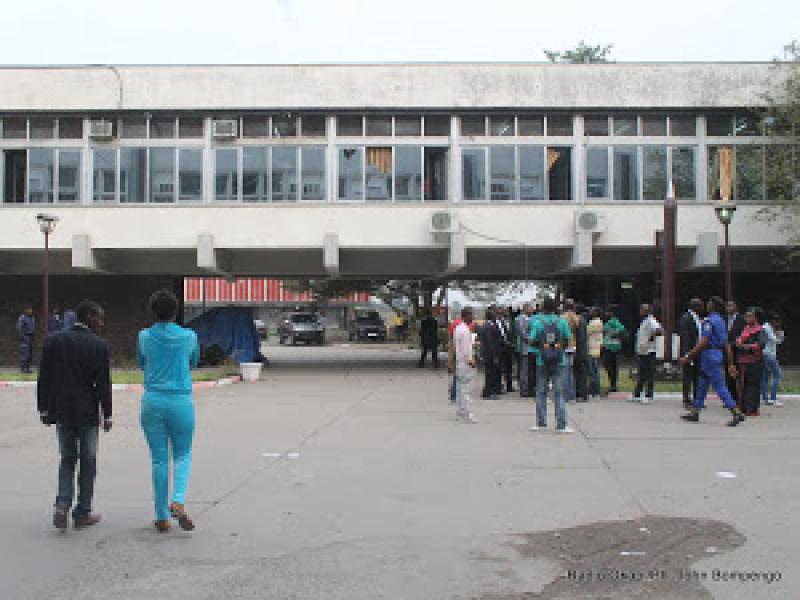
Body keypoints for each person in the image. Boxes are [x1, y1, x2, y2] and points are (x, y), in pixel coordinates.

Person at [37, 299, 111, 531]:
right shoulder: (99, 346)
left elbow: (44, 379)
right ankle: (82, 513)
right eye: (99, 318)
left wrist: (44, 409)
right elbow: (103, 384)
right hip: (88, 413)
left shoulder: (53, 341)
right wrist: (107, 414)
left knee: (67, 459)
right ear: (89, 317)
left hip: (62, 412)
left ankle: (62, 504)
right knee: (88, 462)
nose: (101, 323)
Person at [137, 289, 201, 533]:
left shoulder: (143, 336)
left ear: (152, 311)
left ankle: (162, 516)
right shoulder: (189, 336)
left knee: (159, 458)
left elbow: (141, 362)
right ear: (176, 311)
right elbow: (193, 362)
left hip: (152, 400)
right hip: (180, 400)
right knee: (183, 454)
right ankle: (178, 500)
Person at [680, 296, 746, 427]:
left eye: (709, 303)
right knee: (702, 384)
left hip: (708, 355)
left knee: (719, 386)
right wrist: (731, 362)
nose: (706, 305)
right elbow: (726, 344)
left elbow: (703, 342)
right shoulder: (721, 321)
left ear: (713, 306)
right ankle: (695, 412)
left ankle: (736, 412)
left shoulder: (709, 321)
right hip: (717, 354)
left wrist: (689, 356)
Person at [529, 297, 574, 433]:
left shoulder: (537, 322)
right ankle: (561, 425)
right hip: (559, 361)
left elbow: (531, 340)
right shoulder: (562, 322)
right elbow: (568, 338)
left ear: (543, 308)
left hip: (542, 361)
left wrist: (543, 348)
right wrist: (558, 348)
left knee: (541, 392)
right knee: (559, 393)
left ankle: (541, 423)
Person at [735, 308, 767, 416]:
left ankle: (752, 409)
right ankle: (743, 408)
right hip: (743, 362)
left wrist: (745, 346)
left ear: (756, 318)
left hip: (754, 362)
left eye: (750, 316)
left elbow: (761, 345)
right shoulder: (745, 329)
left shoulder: (760, 330)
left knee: (753, 386)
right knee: (742, 385)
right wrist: (738, 342)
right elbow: (739, 340)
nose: (747, 318)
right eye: (746, 316)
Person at [633, 304, 662, 404]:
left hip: (649, 351)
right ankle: (637, 394)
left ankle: (649, 395)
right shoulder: (644, 321)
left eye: (642, 309)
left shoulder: (651, 320)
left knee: (649, 374)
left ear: (647, 311)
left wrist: (650, 339)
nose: (640, 311)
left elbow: (659, 330)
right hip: (642, 351)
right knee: (641, 374)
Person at [678, 298, 704, 409]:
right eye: (700, 306)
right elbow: (685, 337)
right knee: (687, 376)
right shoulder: (686, 318)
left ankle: (697, 398)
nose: (702, 308)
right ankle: (686, 398)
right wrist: (687, 354)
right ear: (694, 306)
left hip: (697, 351)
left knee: (697, 376)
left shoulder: (697, 318)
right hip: (689, 352)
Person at [453, 308, 478, 424]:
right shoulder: (465, 331)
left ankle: (460, 412)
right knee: (466, 390)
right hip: (465, 364)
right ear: (466, 316)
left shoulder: (458, 329)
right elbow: (465, 350)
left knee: (460, 389)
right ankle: (467, 414)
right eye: (471, 315)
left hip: (459, 363)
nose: (473, 318)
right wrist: (471, 362)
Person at [761, 312, 784, 407]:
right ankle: (773, 398)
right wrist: (780, 335)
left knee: (765, 376)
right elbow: (776, 340)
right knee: (778, 375)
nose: (778, 324)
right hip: (768, 354)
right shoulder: (767, 328)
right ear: (773, 321)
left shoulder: (766, 327)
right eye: (777, 322)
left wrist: (778, 334)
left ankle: (765, 398)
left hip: (765, 354)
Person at [725, 301, 746, 405]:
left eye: (731, 306)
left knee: (738, 375)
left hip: (738, 351)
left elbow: (744, 334)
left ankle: (740, 399)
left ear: (736, 307)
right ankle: (730, 398)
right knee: (728, 375)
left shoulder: (742, 319)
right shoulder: (724, 319)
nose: (728, 308)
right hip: (726, 351)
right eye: (727, 306)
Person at [560, 299, 580, 402]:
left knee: (564, 371)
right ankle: (572, 396)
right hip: (573, 345)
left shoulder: (562, 317)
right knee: (570, 372)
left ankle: (564, 396)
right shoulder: (576, 317)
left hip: (564, 345)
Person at [480, 308, 503, 399]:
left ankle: (489, 391)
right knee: (490, 374)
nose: (496, 316)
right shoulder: (488, 326)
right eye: (494, 314)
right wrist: (495, 356)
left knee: (491, 373)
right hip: (490, 354)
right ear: (490, 316)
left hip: (490, 354)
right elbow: (490, 343)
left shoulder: (489, 325)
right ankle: (488, 393)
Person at [603, 307, 626, 394]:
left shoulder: (613, 322)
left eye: (607, 312)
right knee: (612, 366)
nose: (606, 314)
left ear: (611, 313)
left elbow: (621, 330)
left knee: (610, 366)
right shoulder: (612, 322)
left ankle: (613, 385)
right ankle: (613, 384)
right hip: (613, 347)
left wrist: (614, 333)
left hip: (611, 347)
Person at [586, 307, 604, 400]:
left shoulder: (594, 323)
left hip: (592, 349)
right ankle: (595, 392)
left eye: (592, 311)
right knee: (594, 372)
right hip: (596, 348)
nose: (590, 312)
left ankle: (595, 392)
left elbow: (586, 332)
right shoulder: (598, 322)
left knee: (593, 372)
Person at [497, 307, 514, 393]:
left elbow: (510, 333)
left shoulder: (509, 321)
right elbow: (501, 336)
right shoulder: (499, 323)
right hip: (502, 348)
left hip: (509, 348)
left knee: (509, 367)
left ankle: (509, 386)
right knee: (501, 368)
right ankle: (500, 386)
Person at [16, 303, 36, 373]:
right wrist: (22, 337)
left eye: (31, 309)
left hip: (30, 337)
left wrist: (33, 336)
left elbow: (33, 328)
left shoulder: (32, 318)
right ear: (25, 310)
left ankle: (27, 368)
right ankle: (22, 368)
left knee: (30, 354)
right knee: (24, 353)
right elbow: (19, 328)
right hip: (25, 337)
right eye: (29, 310)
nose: (31, 311)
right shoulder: (22, 318)